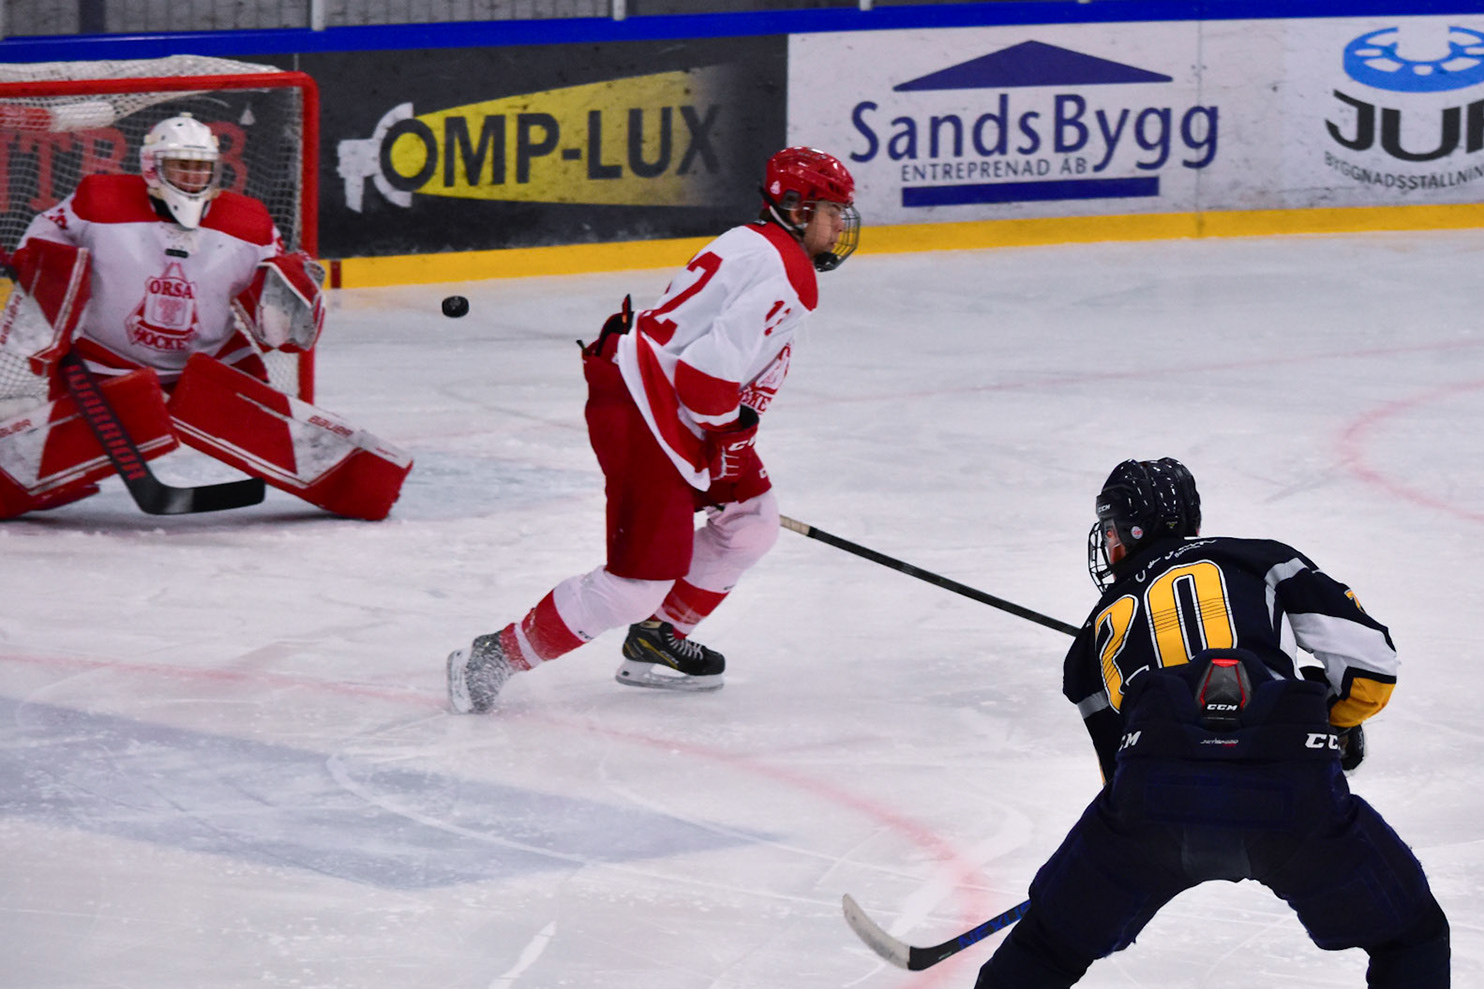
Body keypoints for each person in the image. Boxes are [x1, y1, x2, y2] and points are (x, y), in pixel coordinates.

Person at [881, 458, 1484, 989]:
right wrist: (1334, 722)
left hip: (1152, 808)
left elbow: (1120, 775)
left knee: (1045, 949)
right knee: (1409, 935)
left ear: (1129, 531)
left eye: (1110, 527)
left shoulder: (1095, 638)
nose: (1107, 542)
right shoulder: (1259, 559)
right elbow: (1372, 667)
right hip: (1288, 789)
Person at [447, 146, 858, 713]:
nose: (840, 227)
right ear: (796, 209)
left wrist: (726, 438)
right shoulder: (788, 273)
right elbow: (705, 376)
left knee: (751, 521)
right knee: (634, 587)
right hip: (648, 413)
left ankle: (657, 641)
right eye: (831, 212)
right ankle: (492, 656)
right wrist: (728, 437)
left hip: (666, 403)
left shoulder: (753, 242)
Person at [0, 113, 408, 521]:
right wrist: (43, 268)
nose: (193, 176)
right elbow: (43, 235)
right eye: (182, 165)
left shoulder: (249, 222)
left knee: (270, 427)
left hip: (212, 357)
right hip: (104, 358)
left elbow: (275, 292)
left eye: (202, 167)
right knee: (61, 443)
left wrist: (288, 293)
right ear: (152, 166)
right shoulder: (97, 201)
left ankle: (363, 483)